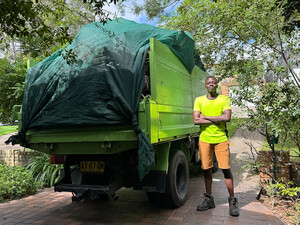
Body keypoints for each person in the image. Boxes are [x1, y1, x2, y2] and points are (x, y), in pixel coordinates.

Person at [193, 76, 239, 217]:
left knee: (225, 169)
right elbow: (196, 120)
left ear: (217, 85)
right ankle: (209, 200)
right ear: (205, 85)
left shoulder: (224, 99)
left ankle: (232, 201)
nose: (211, 84)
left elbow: (227, 118)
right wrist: (216, 118)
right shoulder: (199, 100)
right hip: (205, 139)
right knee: (206, 170)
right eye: (209, 83)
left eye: (213, 82)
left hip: (221, 139)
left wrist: (205, 118)